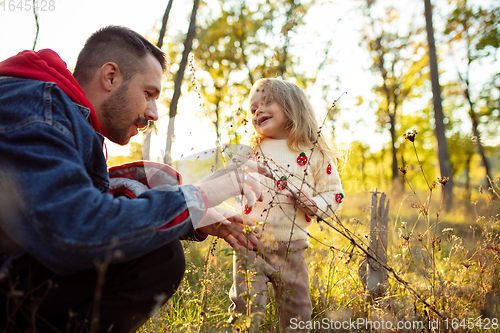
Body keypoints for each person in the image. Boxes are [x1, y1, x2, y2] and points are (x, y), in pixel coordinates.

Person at [0, 26, 267, 332]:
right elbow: (77, 230)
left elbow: (74, 205)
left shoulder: (65, 115)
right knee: (156, 256)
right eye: (148, 93)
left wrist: (194, 212)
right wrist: (200, 194)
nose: (153, 113)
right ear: (110, 77)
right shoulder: (37, 106)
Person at [228, 78, 344, 332]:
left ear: (293, 107)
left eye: (267, 102)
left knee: (297, 309)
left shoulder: (312, 152)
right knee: (246, 305)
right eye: (253, 109)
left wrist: (313, 204)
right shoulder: (250, 150)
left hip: (292, 248)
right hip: (252, 243)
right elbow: (232, 186)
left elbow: (334, 194)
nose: (258, 111)